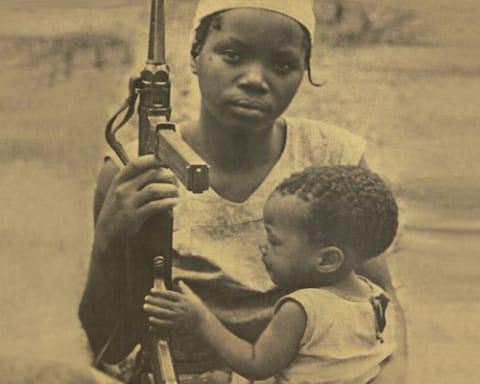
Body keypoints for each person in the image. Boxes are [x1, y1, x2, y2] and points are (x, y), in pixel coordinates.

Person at [79, 1, 406, 383]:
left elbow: (380, 308)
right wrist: (108, 239)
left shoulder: (329, 158)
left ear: (305, 72)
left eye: (282, 65)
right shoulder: (136, 169)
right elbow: (108, 343)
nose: (255, 78)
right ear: (196, 55)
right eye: (232, 55)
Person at [145, 165, 398, 384]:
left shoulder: (302, 309)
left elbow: (255, 364)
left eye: (274, 241)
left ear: (327, 260)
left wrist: (199, 317)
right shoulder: (374, 297)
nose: (262, 247)